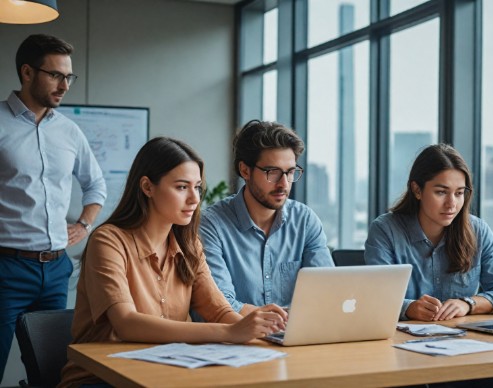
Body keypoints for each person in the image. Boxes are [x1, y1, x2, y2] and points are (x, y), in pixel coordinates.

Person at [59, 137, 287, 387]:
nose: (194, 199)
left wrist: (261, 331)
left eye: (198, 187)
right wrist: (231, 332)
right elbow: (126, 324)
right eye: (181, 187)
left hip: (167, 372)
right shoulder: (109, 240)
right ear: (147, 187)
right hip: (101, 378)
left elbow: (219, 311)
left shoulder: (189, 245)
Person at [364, 144, 493, 388]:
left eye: (459, 193)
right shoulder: (386, 230)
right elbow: (374, 298)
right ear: (417, 189)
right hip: (407, 351)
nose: (452, 203)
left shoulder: (477, 230)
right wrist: (410, 308)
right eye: (441, 192)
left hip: (466, 343)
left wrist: (468, 304)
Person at [0, 34, 106, 381]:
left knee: (54, 372)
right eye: (55, 75)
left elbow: (95, 184)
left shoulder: (69, 131)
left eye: (68, 77)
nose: (64, 85)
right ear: (27, 72)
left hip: (56, 271)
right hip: (5, 269)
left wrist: (85, 225)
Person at [200, 120, 334, 316]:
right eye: (272, 172)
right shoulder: (211, 225)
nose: (284, 184)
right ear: (245, 170)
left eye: (290, 172)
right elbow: (221, 304)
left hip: (296, 337)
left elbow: (327, 291)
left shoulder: (304, 220)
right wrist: (281, 321)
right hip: (234, 341)